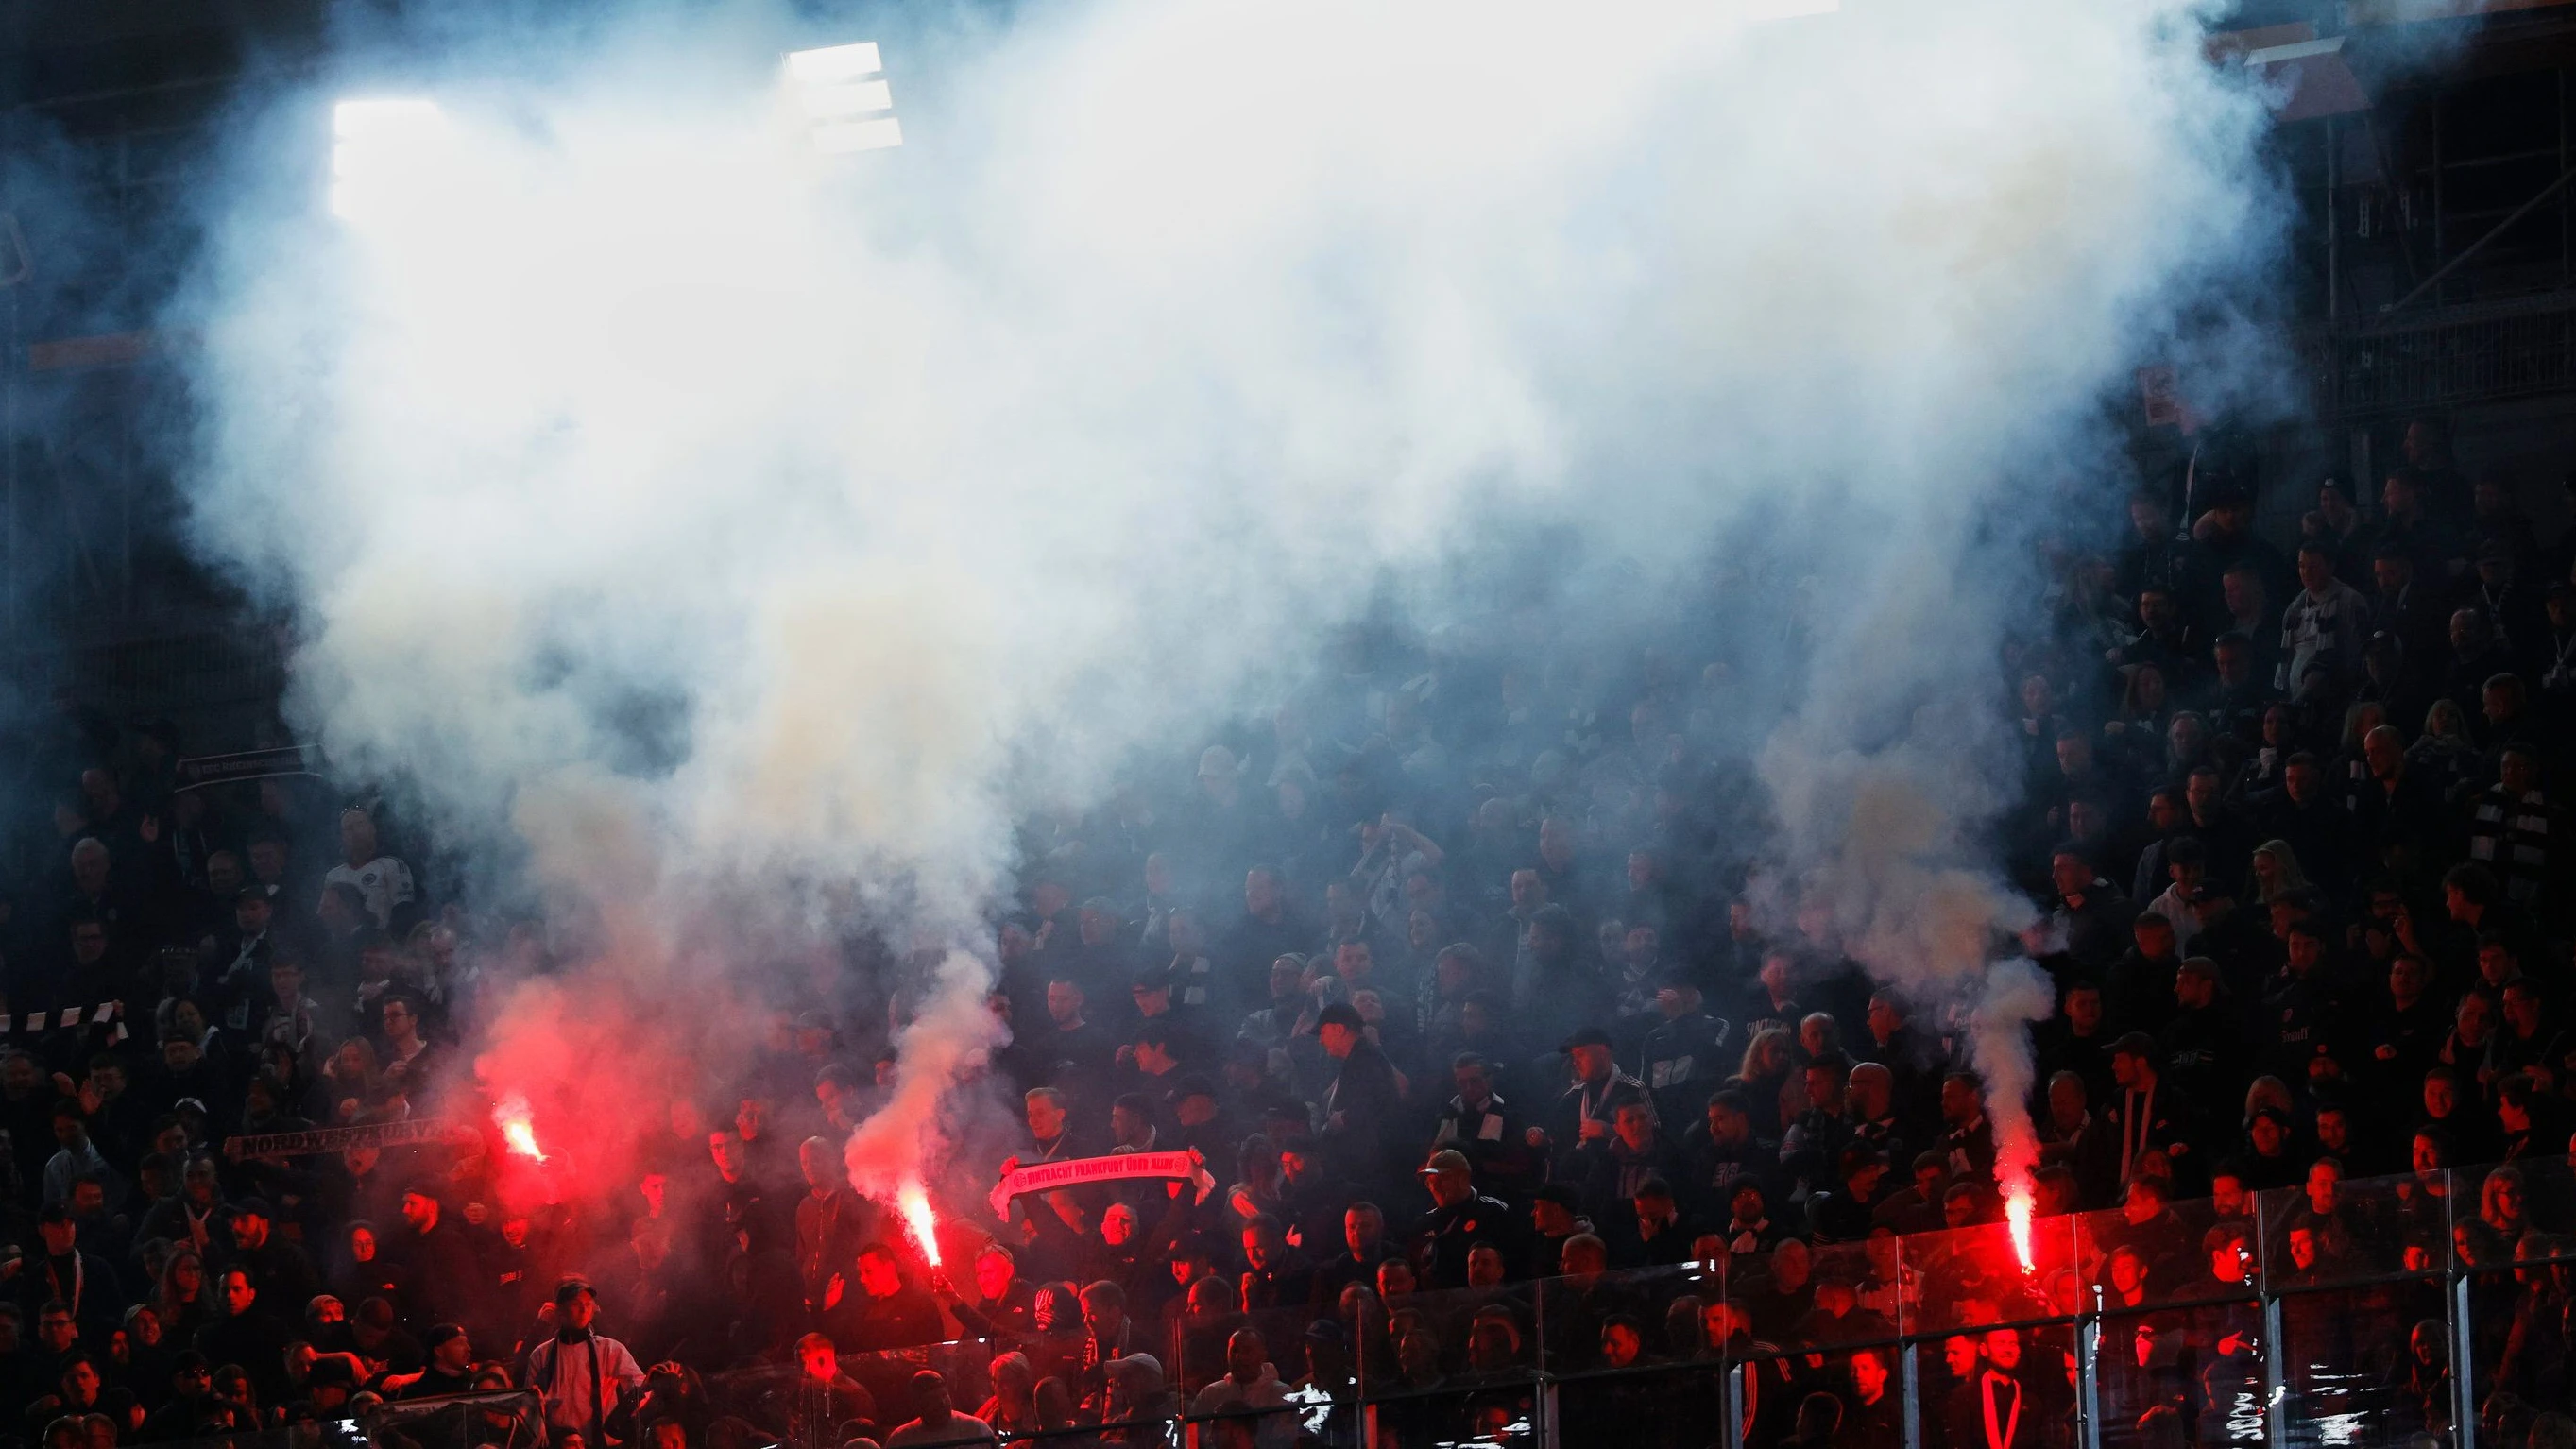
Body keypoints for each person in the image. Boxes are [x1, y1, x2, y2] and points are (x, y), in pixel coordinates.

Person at [524, 1279, 647, 1445]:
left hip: (602, 1443)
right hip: (560, 1444)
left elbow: (641, 1388)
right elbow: (530, 1405)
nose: (583, 1309)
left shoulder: (610, 1349)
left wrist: (624, 1413)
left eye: (588, 1304)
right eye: (576, 1304)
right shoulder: (541, 1355)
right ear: (560, 1310)